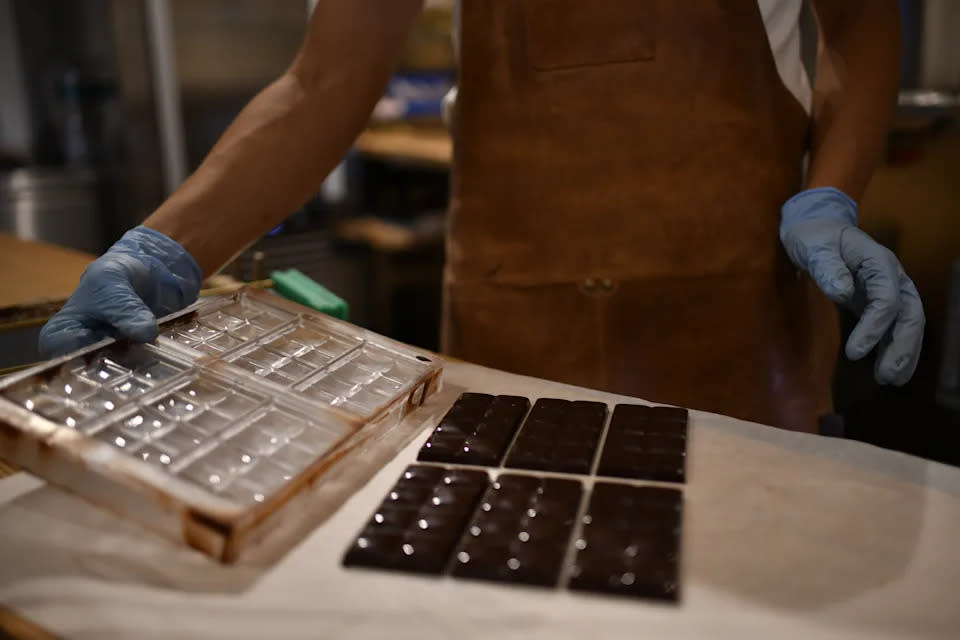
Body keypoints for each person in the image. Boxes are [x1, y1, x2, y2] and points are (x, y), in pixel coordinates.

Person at [40, 0, 924, 432]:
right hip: (515, 341)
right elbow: (324, 81)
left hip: (740, 338)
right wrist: (166, 247)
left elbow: (858, 26)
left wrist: (830, 192)